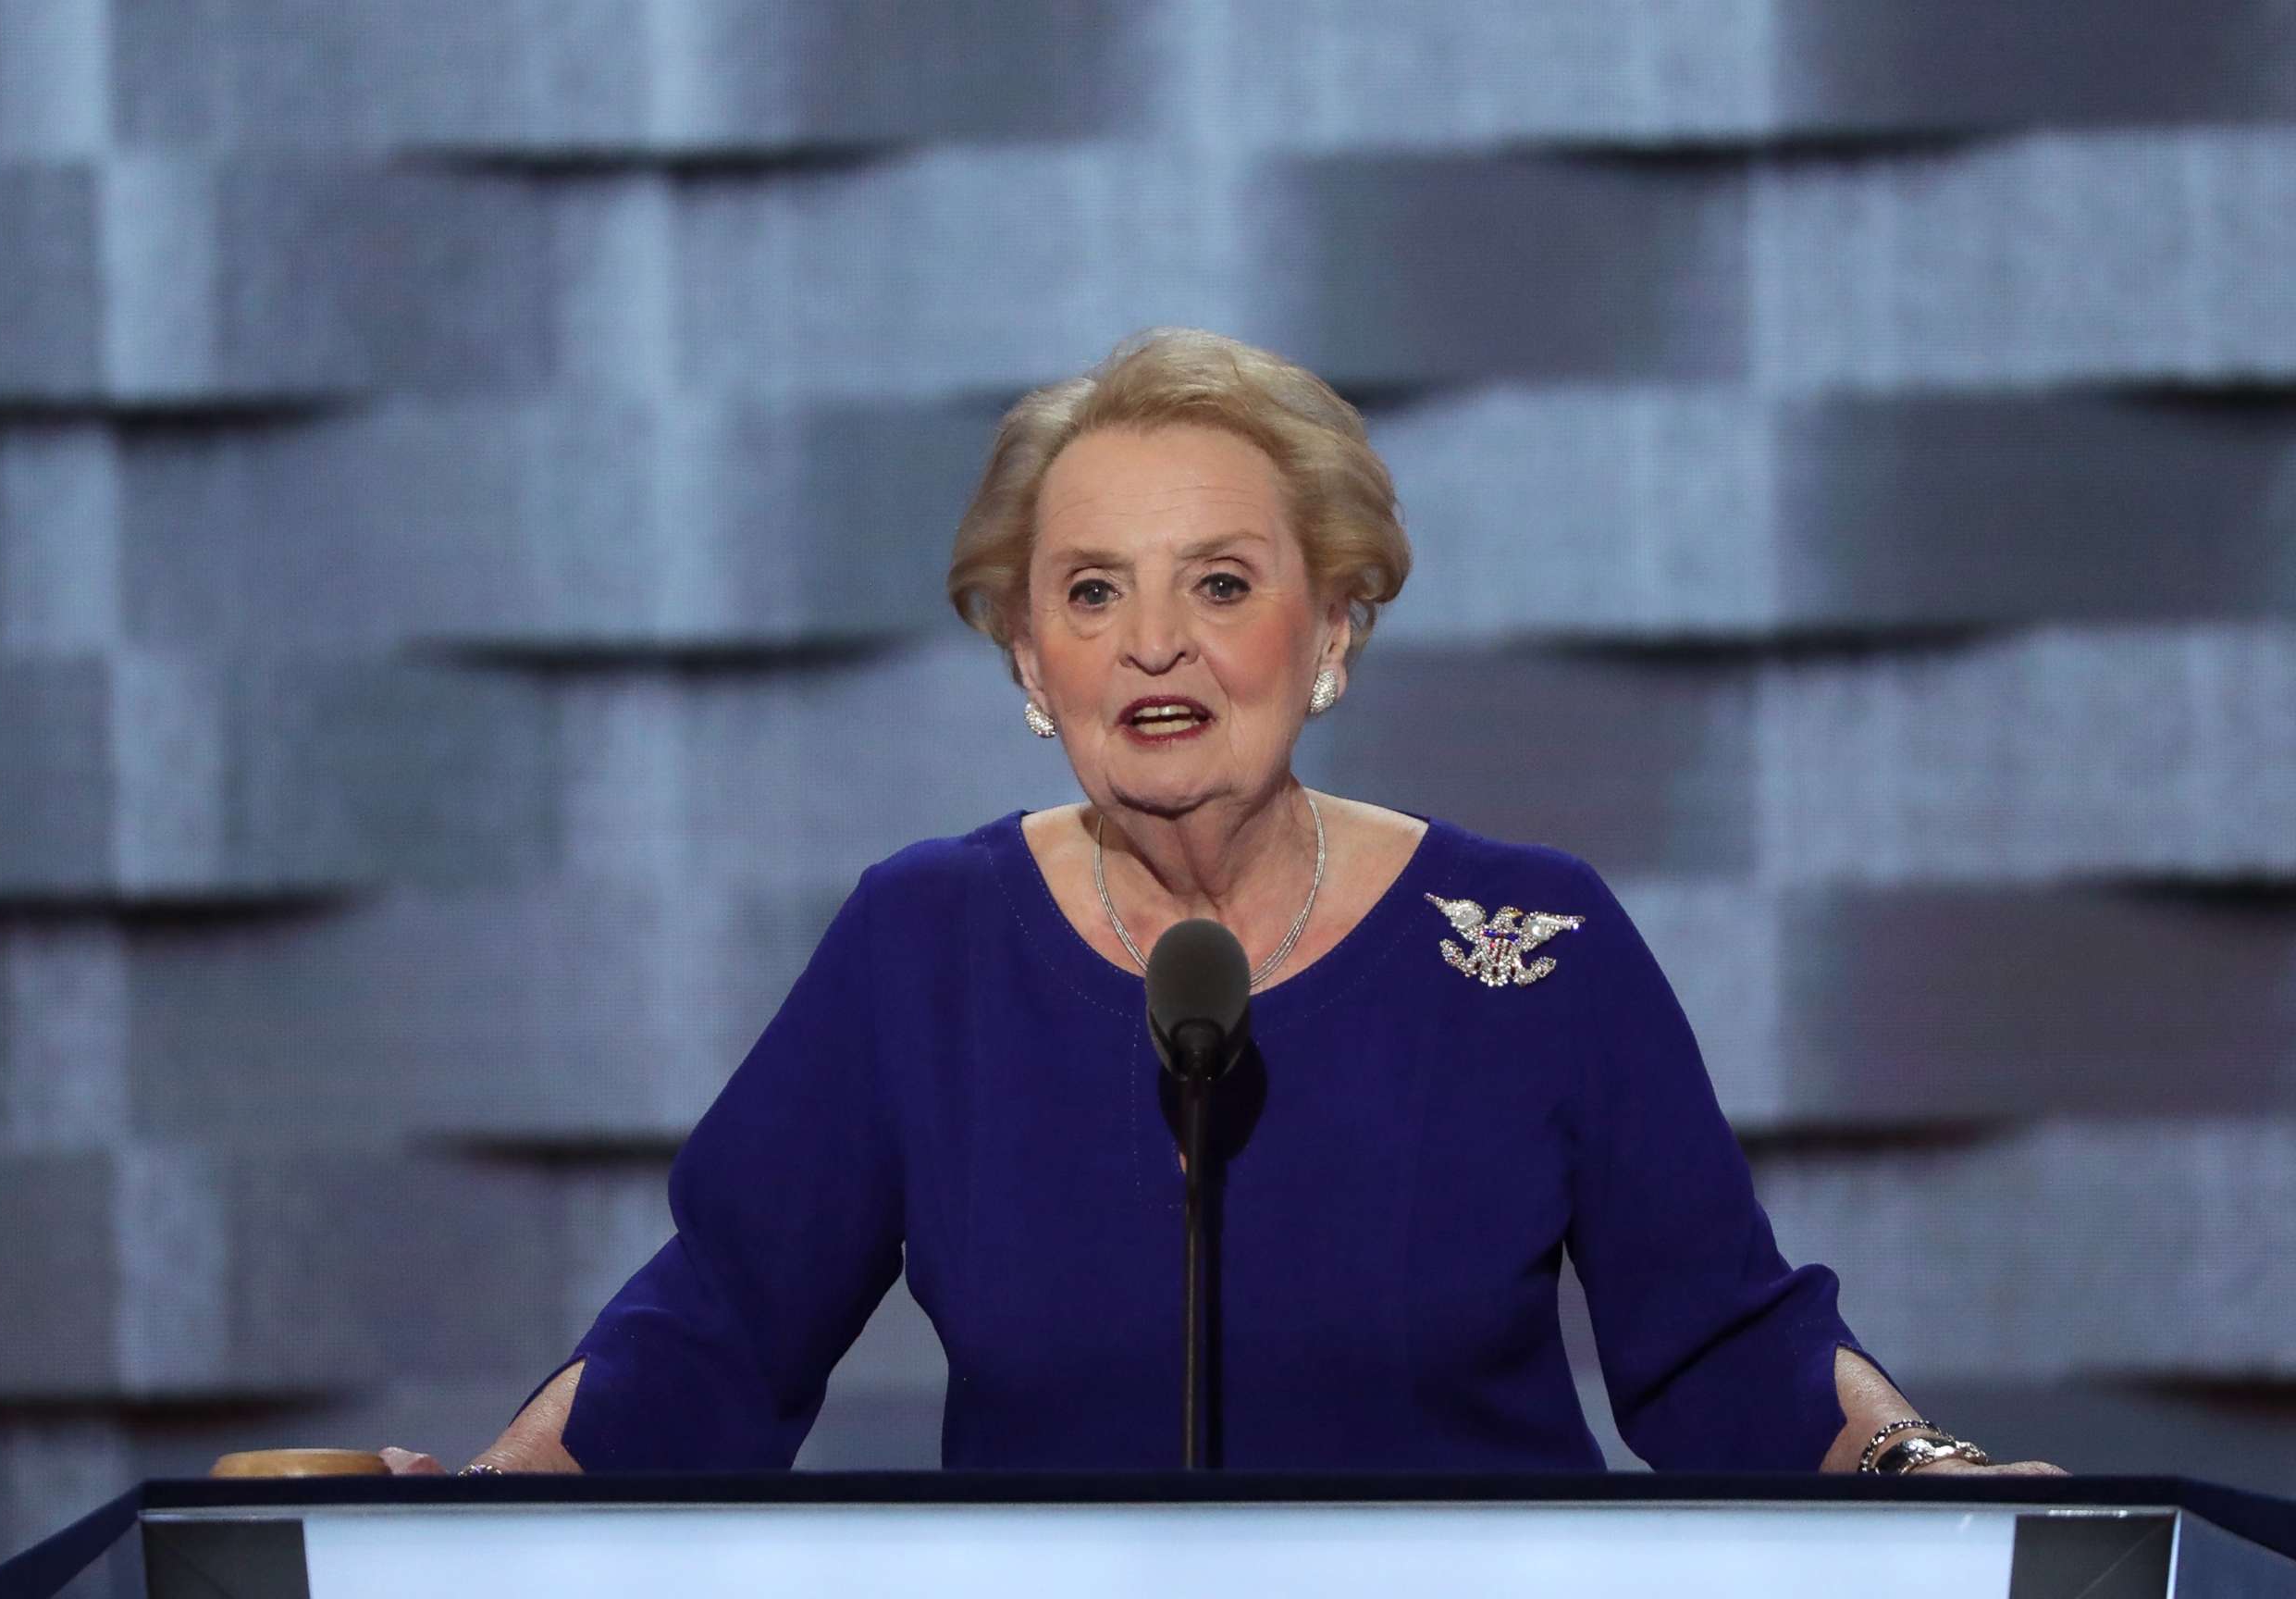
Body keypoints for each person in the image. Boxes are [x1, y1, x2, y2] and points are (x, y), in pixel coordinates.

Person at [384, 328, 2058, 1479]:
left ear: (1329, 633)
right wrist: (466, 1518)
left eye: (1223, 585)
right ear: (1031, 662)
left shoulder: (1535, 945)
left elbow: (1721, 1350)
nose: (1155, 644)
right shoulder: (926, 946)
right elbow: (717, 1335)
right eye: (1092, 591)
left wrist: (1930, 1478)